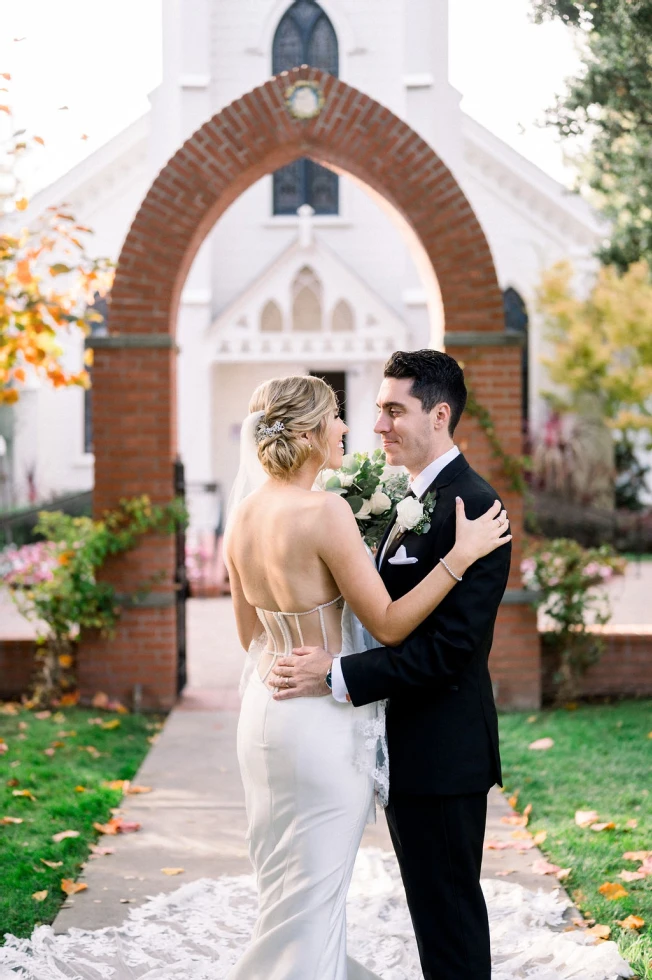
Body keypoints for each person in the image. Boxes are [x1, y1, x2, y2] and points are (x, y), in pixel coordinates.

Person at [224, 365, 511, 980]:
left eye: (391, 410)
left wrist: (310, 655)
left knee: (288, 890)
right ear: (308, 435)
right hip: (322, 726)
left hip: (271, 716)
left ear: (438, 415)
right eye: (339, 415)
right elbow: (385, 621)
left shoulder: (245, 515)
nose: (358, 426)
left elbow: (250, 636)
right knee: (315, 897)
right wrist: (458, 558)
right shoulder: (328, 509)